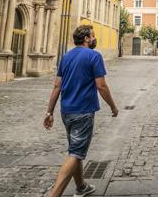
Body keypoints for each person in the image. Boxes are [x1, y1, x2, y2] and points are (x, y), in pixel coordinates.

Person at [44, 25, 119, 197]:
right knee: (76, 153)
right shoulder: (94, 56)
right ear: (86, 38)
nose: (94, 38)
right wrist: (113, 107)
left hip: (66, 112)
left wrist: (49, 112)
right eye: (93, 36)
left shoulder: (66, 57)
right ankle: (54, 194)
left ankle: (81, 187)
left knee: (75, 149)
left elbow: (57, 86)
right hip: (83, 112)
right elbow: (101, 85)